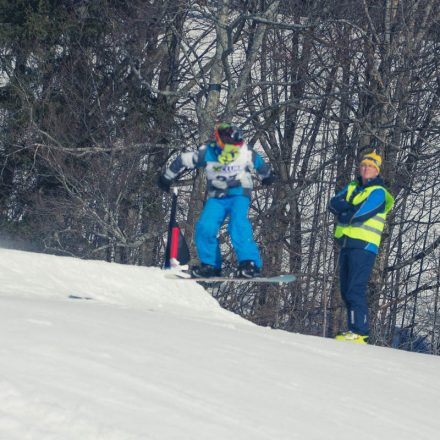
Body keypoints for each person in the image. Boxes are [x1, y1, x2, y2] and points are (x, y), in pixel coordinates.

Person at [158, 122, 274, 278]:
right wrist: (166, 178)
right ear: (220, 143)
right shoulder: (208, 153)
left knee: (238, 224)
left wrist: (267, 176)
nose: (232, 152)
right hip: (217, 197)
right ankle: (211, 265)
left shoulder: (246, 152)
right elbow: (183, 160)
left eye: (235, 148)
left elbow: (260, 165)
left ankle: (249, 263)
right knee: (205, 227)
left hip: (239, 194)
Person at [328, 150, 394, 344]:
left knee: (355, 289)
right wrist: (347, 209)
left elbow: (360, 214)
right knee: (345, 289)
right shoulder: (352, 187)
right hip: (347, 244)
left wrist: (346, 211)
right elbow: (333, 204)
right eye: (364, 165)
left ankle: (360, 332)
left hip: (364, 246)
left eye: (371, 166)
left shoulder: (378, 192)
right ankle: (353, 329)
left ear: (377, 171)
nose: (366, 169)